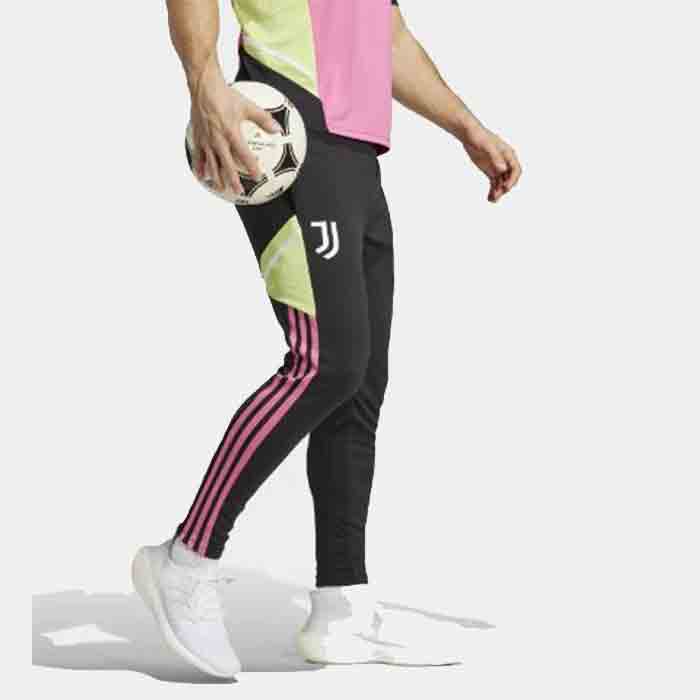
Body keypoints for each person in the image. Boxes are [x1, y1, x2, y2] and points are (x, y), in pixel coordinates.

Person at [131, 0, 522, 679]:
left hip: (356, 150)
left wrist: (467, 127)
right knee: (326, 363)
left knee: (359, 382)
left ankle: (342, 605)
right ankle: (185, 558)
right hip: (286, 129)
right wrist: (204, 83)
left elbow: (386, 35)